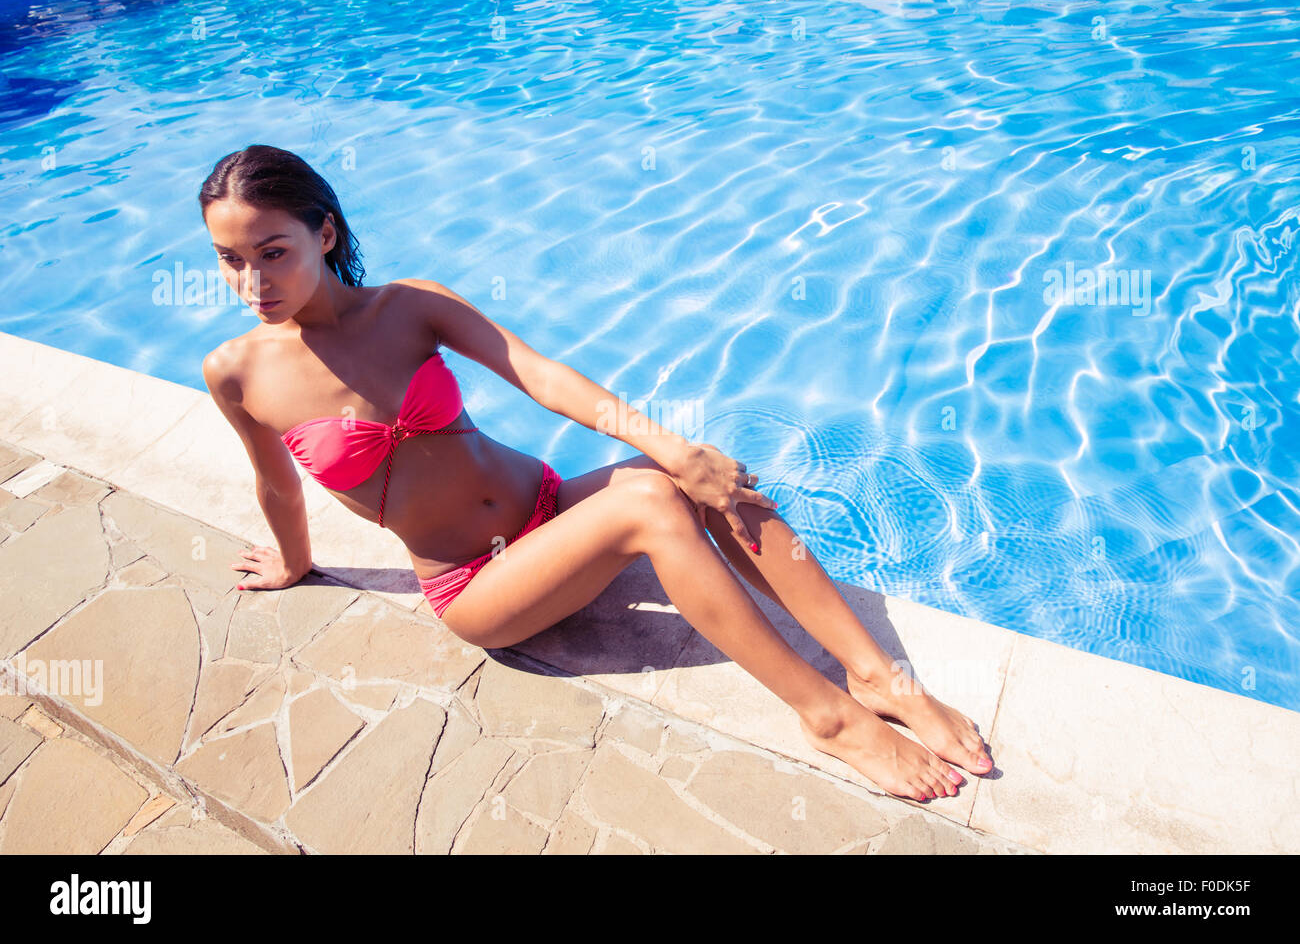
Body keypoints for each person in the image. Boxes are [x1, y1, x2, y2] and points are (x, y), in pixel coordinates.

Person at [199, 144, 992, 803]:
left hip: (545, 506)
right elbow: (277, 483)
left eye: (275, 253)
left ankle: (880, 677)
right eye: (231, 261)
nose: (254, 284)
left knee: (704, 478)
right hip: (478, 584)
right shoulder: (237, 373)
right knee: (649, 501)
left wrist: (680, 449)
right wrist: (295, 562)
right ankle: (825, 716)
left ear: (325, 233)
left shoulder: (409, 306)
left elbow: (540, 375)